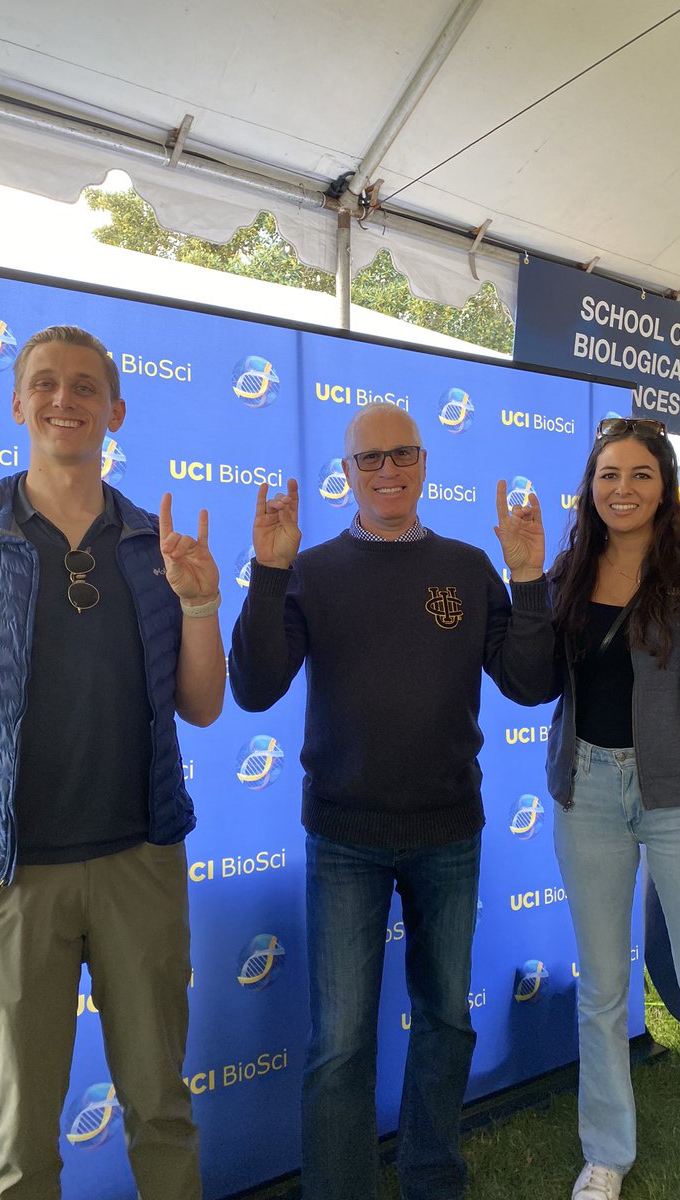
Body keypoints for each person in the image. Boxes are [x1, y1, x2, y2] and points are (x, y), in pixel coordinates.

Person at [0, 326, 226, 1200]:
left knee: (162, 1109)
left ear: (116, 412)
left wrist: (201, 604)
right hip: (9, 879)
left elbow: (203, 707)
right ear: (16, 404)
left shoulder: (151, 543)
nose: (66, 400)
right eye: (46, 384)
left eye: (86, 386)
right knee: (21, 1137)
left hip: (141, 862)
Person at [228, 404, 549, 1200]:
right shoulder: (311, 570)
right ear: (347, 475)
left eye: (402, 454)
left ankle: (432, 1181)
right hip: (343, 836)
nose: (388, 471)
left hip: (449, 831)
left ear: (424, 462)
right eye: (369, 459)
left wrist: (530, 577)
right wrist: (269, 571)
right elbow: (254, 687)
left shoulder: (471, 565)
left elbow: (532, 682)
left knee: (446, 1021)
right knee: (340, 1043)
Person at [517, 417, 680, 1200]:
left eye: (638, 475)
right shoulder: (565, 571)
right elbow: (531, 686)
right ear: (589, 489)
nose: (621, 489)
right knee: (601, 988)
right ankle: (606, 1155)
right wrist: (524, 583)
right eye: (607, 476)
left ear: (664, 487)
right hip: (586, 790)